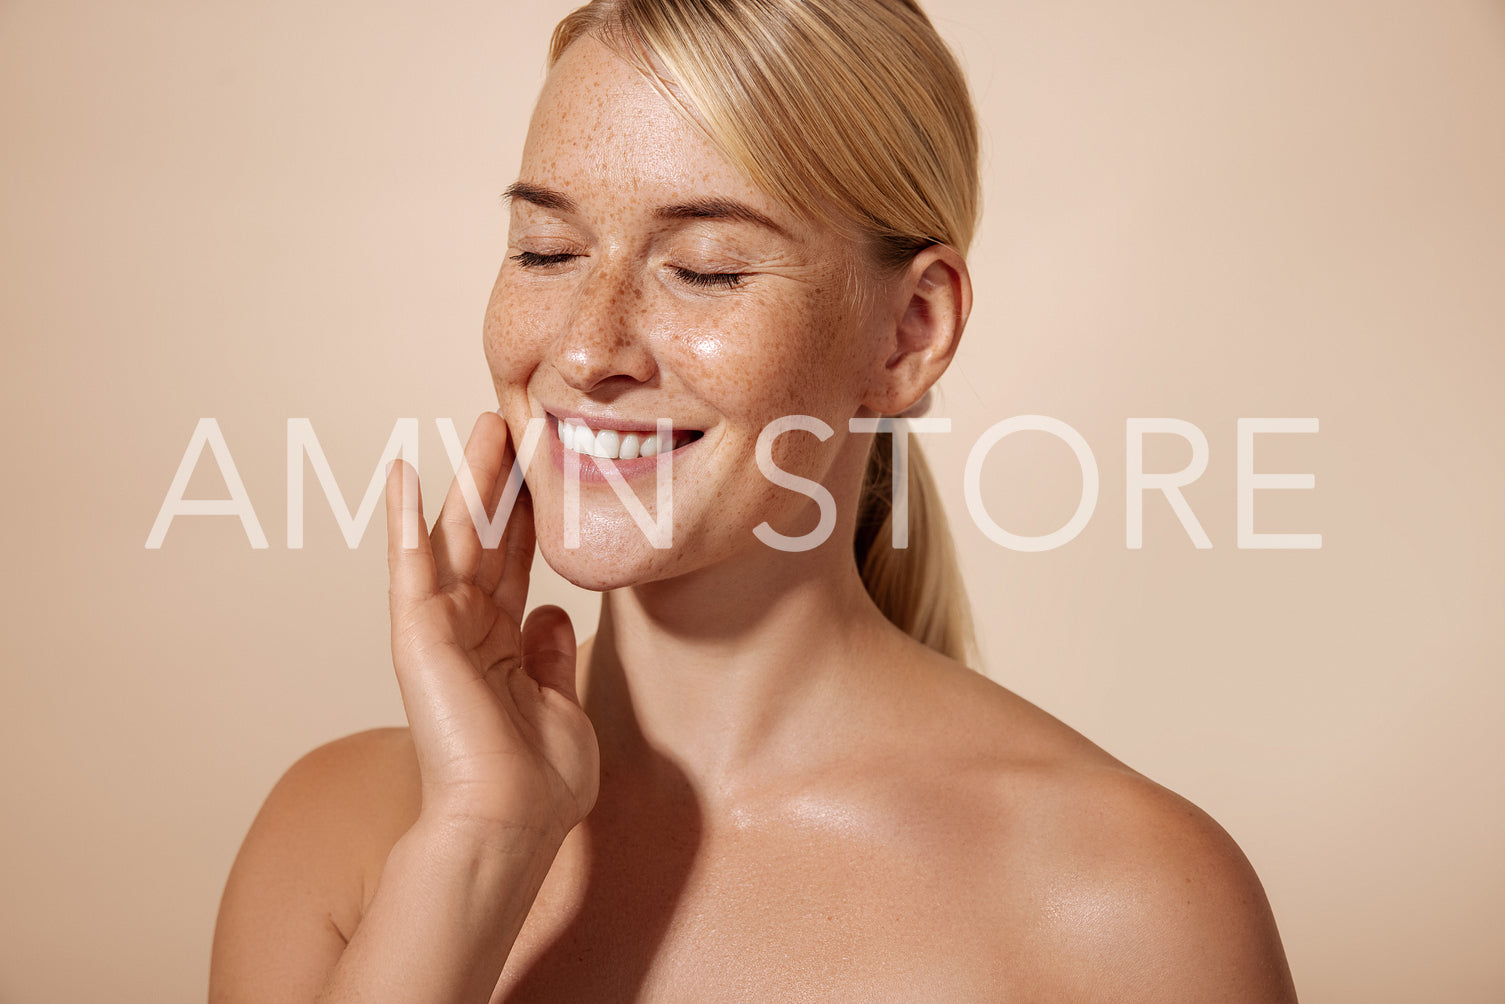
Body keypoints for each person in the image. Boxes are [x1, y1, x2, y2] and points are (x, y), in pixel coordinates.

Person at [210, 0, 1298, 999]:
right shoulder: (342, 836)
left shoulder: (1127, 910)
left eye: (706, 269)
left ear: (909, 332)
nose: (586, 348)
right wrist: (477, 844)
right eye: (545, 248)